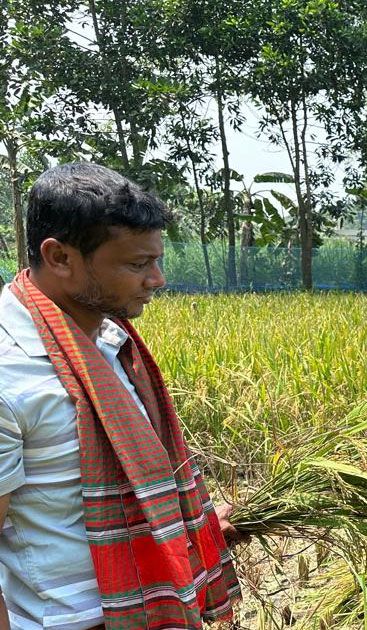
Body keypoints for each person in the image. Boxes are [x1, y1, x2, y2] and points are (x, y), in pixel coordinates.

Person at [0, 163, 240, 630]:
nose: (158, 279)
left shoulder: (112, 343)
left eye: (156, 260)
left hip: (152, 610)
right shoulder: (10, 372)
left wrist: (188, 521)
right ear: (60, 257)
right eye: (137, 264)